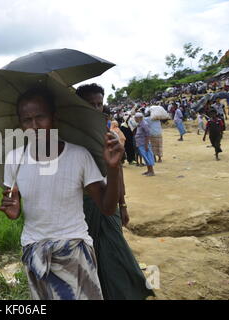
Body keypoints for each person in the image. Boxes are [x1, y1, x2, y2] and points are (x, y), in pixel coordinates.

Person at [0, 87, 125, 300]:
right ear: (20, 124)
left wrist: (113, 169)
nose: (34, 126)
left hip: (75, 252)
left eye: (41, 117)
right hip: (35, 253)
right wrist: (14, 210)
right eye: (26, 120)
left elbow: (106, 207)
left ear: (54, 118)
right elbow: (16, 203)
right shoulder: (14, 159)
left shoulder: (78, 155)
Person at [76, 86, 153, 300]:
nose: (96, 108)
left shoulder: (109, 134)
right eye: (90, 104)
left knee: (115, 253)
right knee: (90, 258)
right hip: (83, 207)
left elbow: (117, 171)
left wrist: (123, 205)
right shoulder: (71, 137)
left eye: (99, 103)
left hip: (109, 205)